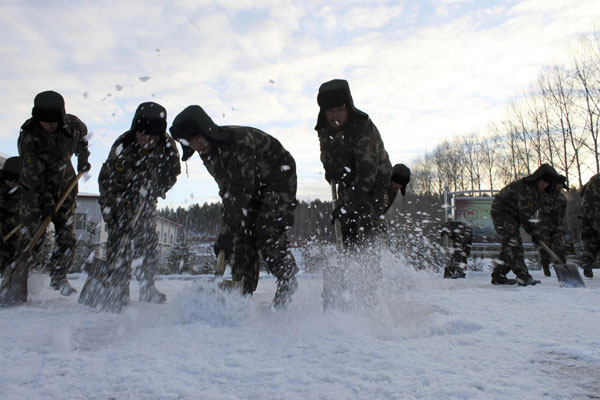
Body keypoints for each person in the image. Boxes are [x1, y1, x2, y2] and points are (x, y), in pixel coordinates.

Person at [169, 105, 299, 308]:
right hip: (248, 186)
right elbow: (228, 192)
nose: (198, 144)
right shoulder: (207, 153)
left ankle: (287, 279)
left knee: (266, 230)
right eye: (192, 142)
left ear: (207, 130)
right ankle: (242, 291)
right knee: (240, 235)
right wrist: (228, 234)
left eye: (199, 137)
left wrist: (226, 234)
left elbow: (240, 193)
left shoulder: (238, 143)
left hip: (277, 177)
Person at [79, 102, 180, 311]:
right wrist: (112, 213)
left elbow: (173, 172)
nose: (147, 141)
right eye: (142, 136)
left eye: (152, 138)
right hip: (120, 199)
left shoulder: (168, 147)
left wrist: (158, 188)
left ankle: (147, 287)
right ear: (136, 131)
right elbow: (107, 181)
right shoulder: (123, 146)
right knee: (119, 245)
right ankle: (117, 288)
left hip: (146, 200)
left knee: (147, 244)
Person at [0, 91, 90, 307]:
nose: (49, 127)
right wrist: (47, 203)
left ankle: (59, 277)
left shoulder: (73, 125)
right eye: (44, 123)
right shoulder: (29, 136)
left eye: (53, 123)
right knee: (34, 235)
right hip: (35, 191)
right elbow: (33, 176)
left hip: (65, 185)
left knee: (66, 235)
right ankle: (22, 277)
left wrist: (83, 157)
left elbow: (83, 139)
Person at [315, 79, 392, 248]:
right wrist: (329, 170)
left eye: (340, 110)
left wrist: (346, 206)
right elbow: (326, 152)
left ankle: (377, 257)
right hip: (348, 176)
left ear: (348, 107)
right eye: (330, 111)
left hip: (375, 179)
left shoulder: (363, 128)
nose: (335, 115)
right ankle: (352, 263)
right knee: (346, 223)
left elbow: (367, 174)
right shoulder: (324, 127)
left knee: (365, 216)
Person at [490, 164, 561, 286]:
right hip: (501, 213)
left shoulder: (537, 191)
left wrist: (536, 233)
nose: (545, 185)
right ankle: (523, 275)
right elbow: (526, 216)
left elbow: (532, 215)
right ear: (538, 178)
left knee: (510, 245)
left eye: (548, 183)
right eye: (544, 181)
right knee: (513, 242)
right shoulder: (526, 189)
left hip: (513, 215)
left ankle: (499, 275)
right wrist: (535, 234)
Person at [537, 175, 568, 277]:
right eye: (559, 184)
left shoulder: (562, 198)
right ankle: (545, 265)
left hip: (557, 226)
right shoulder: (543, 195)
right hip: (544, 225)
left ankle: (562, 269)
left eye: (561, 185)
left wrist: (560, 223)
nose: (560, 187)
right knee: (545, 247)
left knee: (560, 247)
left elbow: (562, 213)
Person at [0, 157, 22, 277]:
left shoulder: (23, 188)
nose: (15, 185)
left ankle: (7, 279)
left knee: (12, 252)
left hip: (13, 225)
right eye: (12, 182)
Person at [580, 173, 600, 278]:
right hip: (597, 213)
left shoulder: (593, 178)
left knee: (591, 240)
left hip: (585, 214)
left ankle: (587, 262)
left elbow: (581, 192)